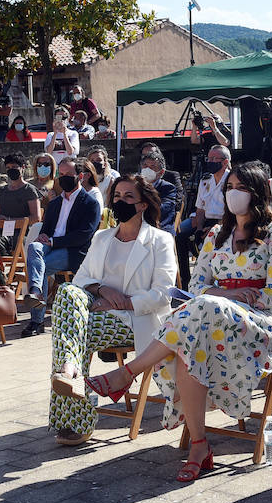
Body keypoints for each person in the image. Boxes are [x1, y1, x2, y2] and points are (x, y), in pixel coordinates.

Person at [87, 163, 272, 481]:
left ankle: (127, 373)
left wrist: (222, 295)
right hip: (209, 320)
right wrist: (231, 293)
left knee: (198, 312)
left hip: (258, 324)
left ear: (256, 193)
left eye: (239, 187)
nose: (231, 193)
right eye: (229, 187)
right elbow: (195, 287)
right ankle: (199, 444)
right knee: (189, 344)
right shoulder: (217, 234)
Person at [48, 175, 178, 445]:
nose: (121, 202)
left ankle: (75, 418)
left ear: (143, 205)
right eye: (117, 197)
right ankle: (69, 368)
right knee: (67, 291)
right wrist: (103, 291)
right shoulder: (102, 237)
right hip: (98, 310)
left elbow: (165, 293)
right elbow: (82, 279)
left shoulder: (160, 240)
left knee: (73, 332)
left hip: (137, 320)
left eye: (129, 197)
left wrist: (123, 301)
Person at [19, 157, 102, 336]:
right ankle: (36, 292)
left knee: (39, 267)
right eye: (60, 174)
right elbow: (47, 228)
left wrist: (54, 242)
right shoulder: (55, 203)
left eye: (68, 174)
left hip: (73, 251)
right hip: (50, 245)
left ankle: (36, 320)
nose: (63, 178)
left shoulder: (90, 203)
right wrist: (44, 235)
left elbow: (84, 235)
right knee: (34, 247)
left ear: (80, 176)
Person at [177, 144, 232, 283]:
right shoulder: (205, 180)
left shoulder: (232, 180)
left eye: (214, 159)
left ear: (225, 162)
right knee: (180, 235)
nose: (210, 162)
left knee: (215, 239)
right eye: (209, 159)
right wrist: (199, 228)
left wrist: (215, 228)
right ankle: (185, 280)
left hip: (225, 221)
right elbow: (200, 209)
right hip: (205, 219)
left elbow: (232, 211)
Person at [0, 155, 43, 253]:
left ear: (23, 167)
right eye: (8, 168)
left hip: (22, 234)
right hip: (3, 234)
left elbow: (36, 218)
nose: (11, 170)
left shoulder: (29, 190)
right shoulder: (1, 191)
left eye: (14, 167)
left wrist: (10, 221)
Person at [139, 150, 181, 234]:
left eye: (152, 166)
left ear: (161, 172)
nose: (147, 169)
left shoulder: (168, 188)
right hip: (137, 227)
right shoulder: (135, 185)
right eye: (145, 165)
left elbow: (162, 209)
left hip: (160, 229)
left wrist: (139, 208)